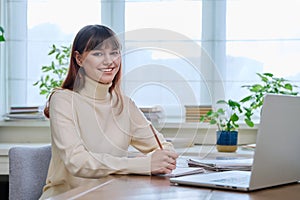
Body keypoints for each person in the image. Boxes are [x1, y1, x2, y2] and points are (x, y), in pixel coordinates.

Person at [39, 24, 179, 199]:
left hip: (110, 194)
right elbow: (77, 161)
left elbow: (162, 146)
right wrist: (143, 164)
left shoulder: (124, 105)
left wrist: (164, 157)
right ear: (79, 59)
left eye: (114, 53)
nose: (109, 61)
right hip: (67, 196)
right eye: (98, 53)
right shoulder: (63, 100)